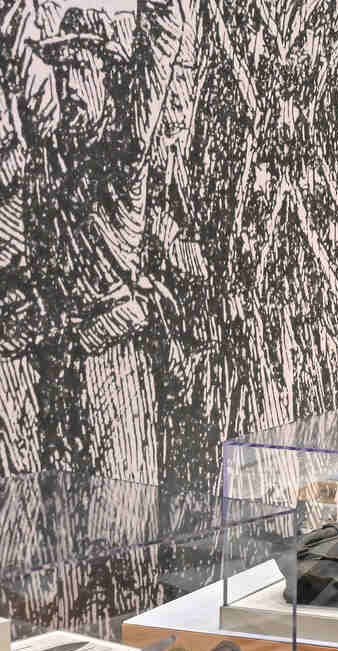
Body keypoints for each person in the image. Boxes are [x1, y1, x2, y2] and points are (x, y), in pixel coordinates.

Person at [4, 1, 186, 484]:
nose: (68, 87)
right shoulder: (46, 160)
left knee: (124, 516)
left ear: (105, 71)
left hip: (114, 358)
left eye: (79, 69)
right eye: (60, 73)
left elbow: (163, 44)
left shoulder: (124, 144)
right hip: (57, 366)